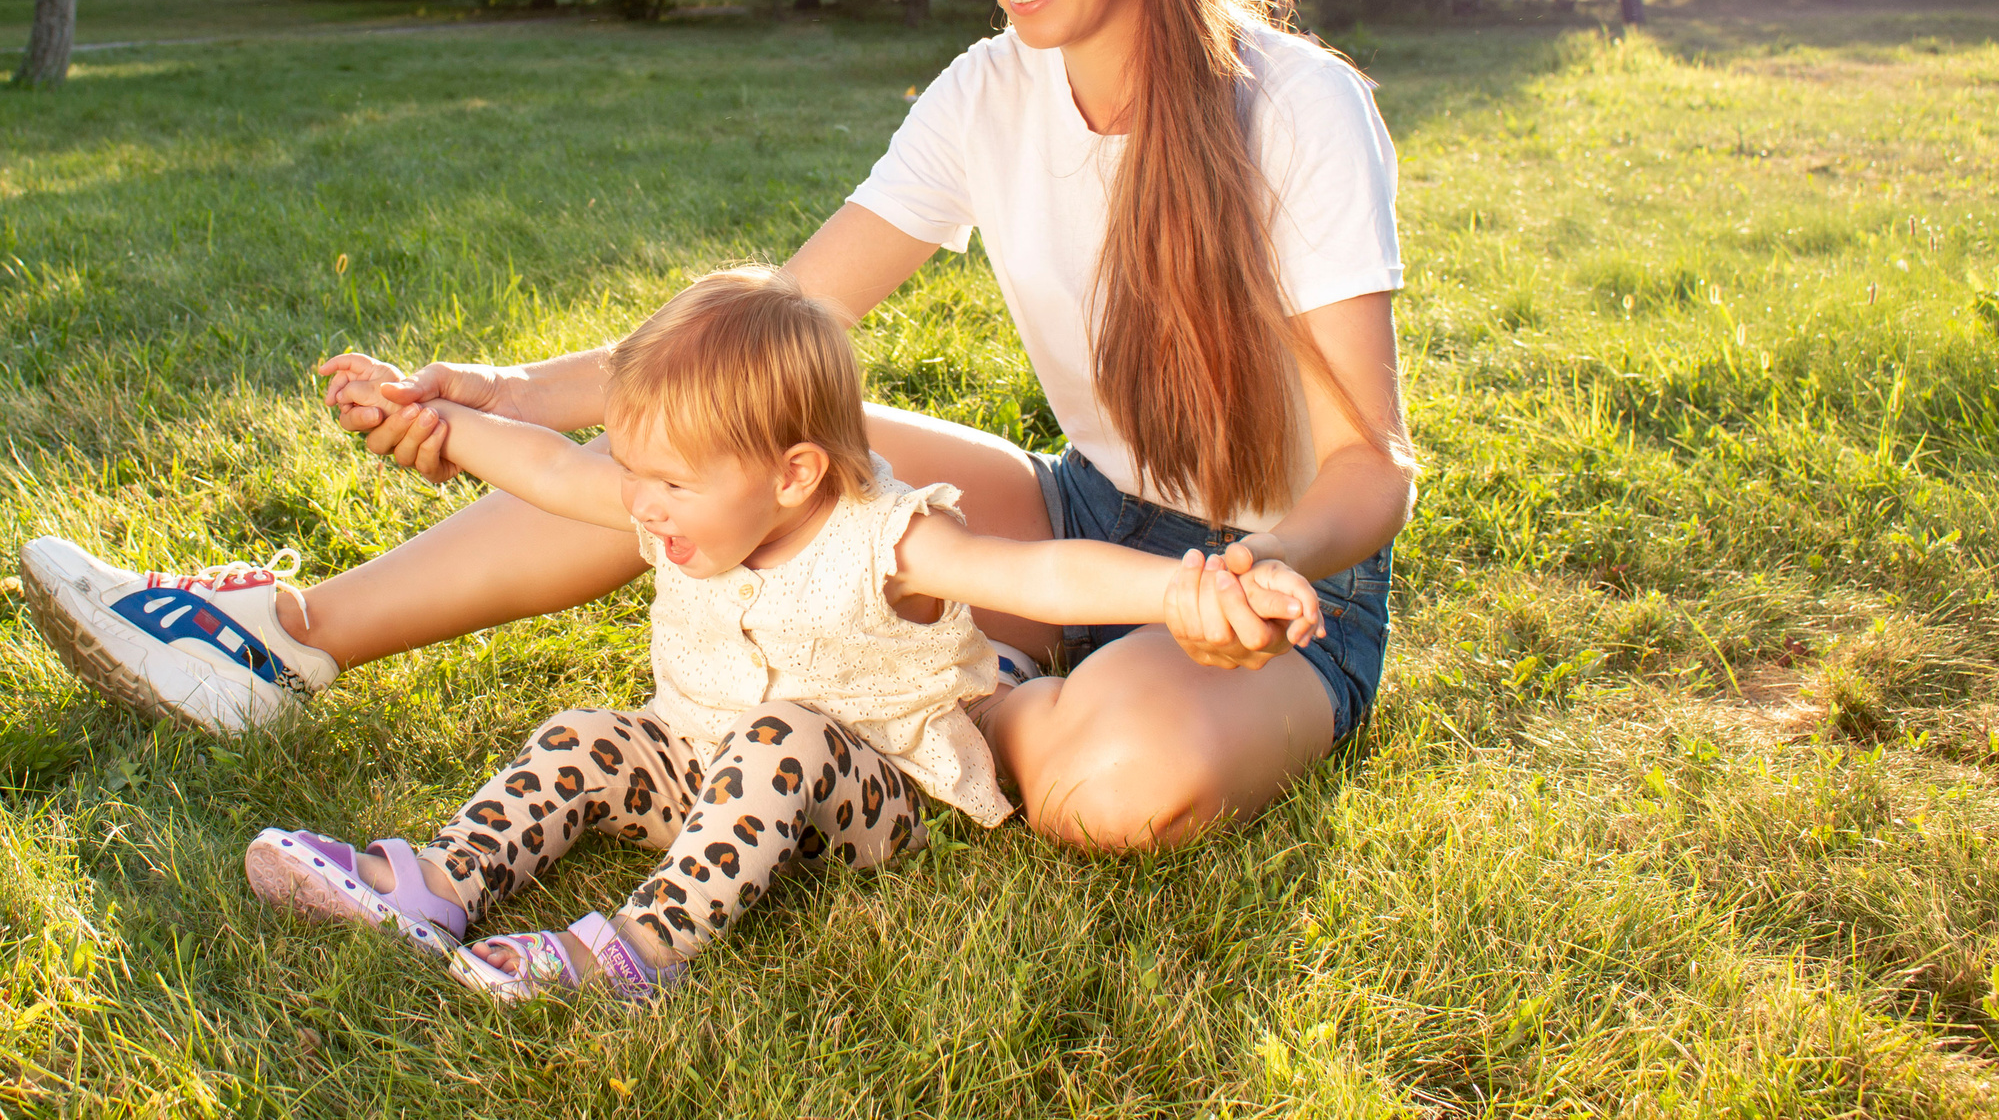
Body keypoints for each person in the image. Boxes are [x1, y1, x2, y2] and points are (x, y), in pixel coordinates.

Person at [18, 0, 1412, 850]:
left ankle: (920, 721)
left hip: (1284, 589)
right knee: (718, 445)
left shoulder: (1296, 108)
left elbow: (1372, 469)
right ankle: (278, 639)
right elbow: (772, 327)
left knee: (1117, 781)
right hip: (1068, 512)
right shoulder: (989, 90)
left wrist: (1262, 568)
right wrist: (501, 390)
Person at [235, 269, 1322, 1002]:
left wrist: (1184, 591)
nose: (642, 507)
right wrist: (442, 419)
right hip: (699, 769)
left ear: (794, 471)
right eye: (636, 473)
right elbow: (557, 470)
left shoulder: (889, 539)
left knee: (780, 736)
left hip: (863, 795)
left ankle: (632, 950)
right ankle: (437, 884)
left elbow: (1037, 569)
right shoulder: (681, 503)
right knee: (581, 734)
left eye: (666, 482)